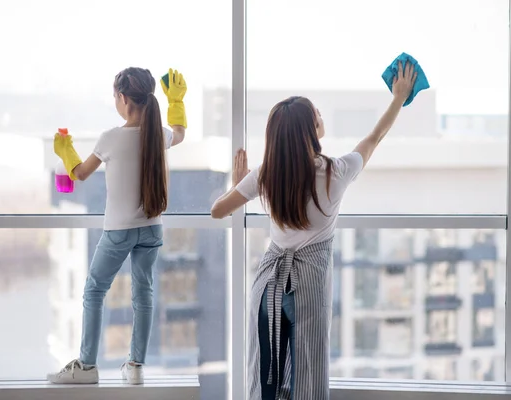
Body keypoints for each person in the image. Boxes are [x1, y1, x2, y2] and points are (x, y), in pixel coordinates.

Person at [211, 62, 417, 399]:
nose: (320, 117)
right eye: (316, 114)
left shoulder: (265, 175)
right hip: (307, 290)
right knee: (308, 384)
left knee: (265, 382)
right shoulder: (336, 172)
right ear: (308, 129)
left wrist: (240, 184)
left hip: (267, 288)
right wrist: (398, 98)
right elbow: (374, 137)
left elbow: (218, 211)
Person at [47, 67, 188, 385]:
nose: (115, 101)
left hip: (118, 232)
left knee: (94, 291)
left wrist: (65, 149)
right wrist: (176, 101)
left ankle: (86, 366)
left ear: (123, 99)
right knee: (143, 293)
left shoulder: (111, 137)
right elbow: (179, 132)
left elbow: (80, 173)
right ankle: (135, 366)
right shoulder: (158, 134)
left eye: (115, 96)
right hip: (152, 228)